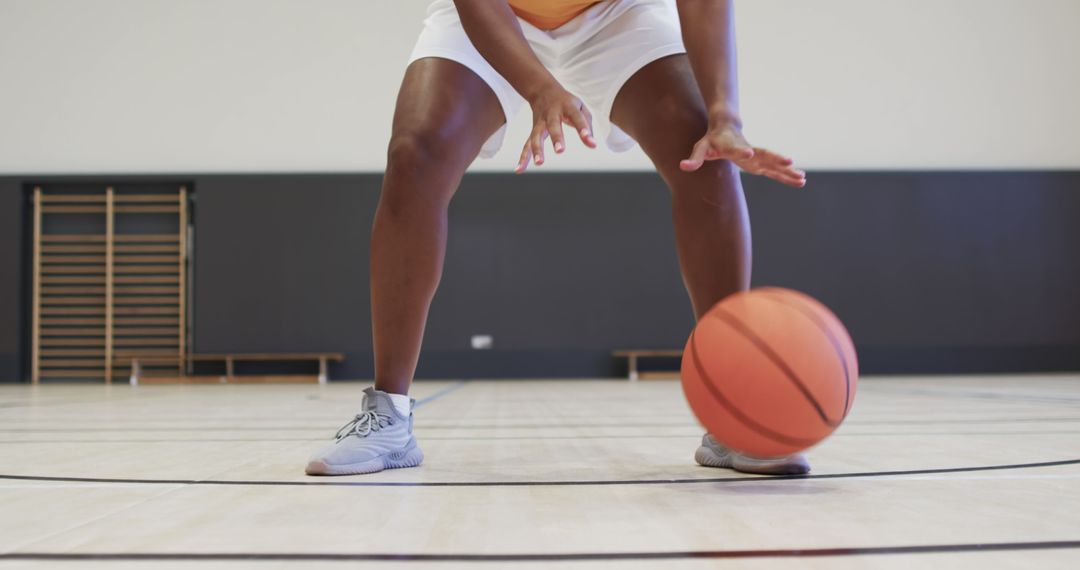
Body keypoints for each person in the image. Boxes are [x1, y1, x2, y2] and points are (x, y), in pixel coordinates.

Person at [306, 0, 808, 477]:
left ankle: (732, 409)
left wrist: (726, 116)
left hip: (617, 14)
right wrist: (539, 87)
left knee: (706, 157)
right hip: (495, 15)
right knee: (415, 153)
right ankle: (388, 417)